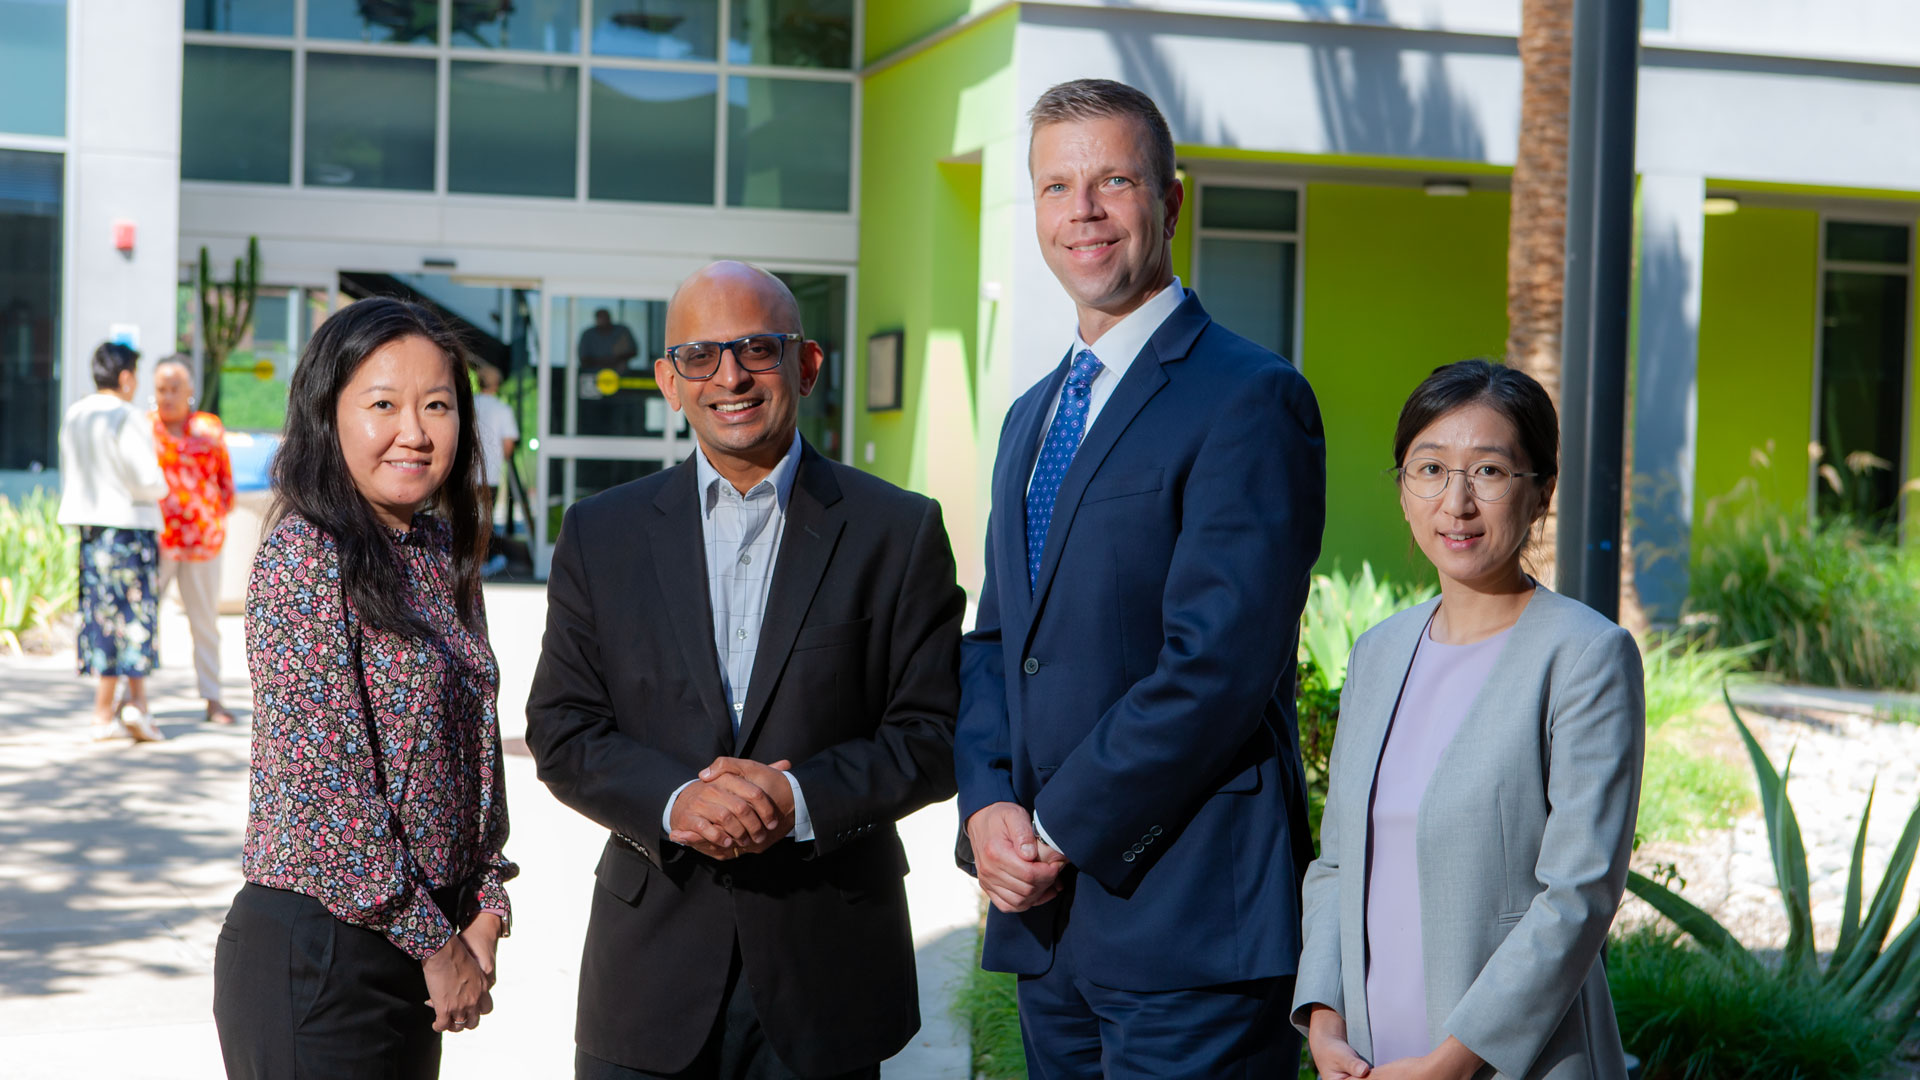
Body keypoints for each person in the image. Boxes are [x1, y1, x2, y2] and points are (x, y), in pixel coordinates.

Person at [953, 79, 1326, 1078]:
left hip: (1191, 924)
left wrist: (1057, 825)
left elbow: (1218, 669)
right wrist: (986, 805)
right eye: (1056, 186)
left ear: (1170, 201)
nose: (1082, 209)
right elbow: (997, 642)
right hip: (1050, 925)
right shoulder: (1033, 415)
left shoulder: (1250, 398)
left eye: (1113, 180)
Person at [526, 260, 965, 1080]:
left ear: (805, 364)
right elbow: (562, 728)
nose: (729, 376)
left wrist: (797, 801)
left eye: (757, 349)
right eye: (700, 355)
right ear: (668, 379)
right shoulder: (601, 535)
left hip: (825, 962)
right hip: (649, 969)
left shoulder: (896, 533)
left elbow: (932, 733)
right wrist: (679, 800)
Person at [1292, 359, 1645, 1080]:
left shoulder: (1584, 656)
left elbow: (1578, 897)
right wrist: (1324, 1025)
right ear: (1403, 489)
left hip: (1513, 1063)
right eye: (1429, 469)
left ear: (1541, 492)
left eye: (1488, 472)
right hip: (1367, 1057)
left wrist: (1448, 1066)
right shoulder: (1378, 653)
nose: (1456, 502)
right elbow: (1335, 865)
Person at [212, 297, 516, 1079]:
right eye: (383, 404)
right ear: (328, 415)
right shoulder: (303, 557)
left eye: (438, 405)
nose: (414, 431)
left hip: (419, 947)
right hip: (320, 960)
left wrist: (487, 901)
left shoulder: (436, 549)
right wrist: (438, 945)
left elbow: (473, 749)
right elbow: (329, 794)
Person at [57, 341, 168, 743]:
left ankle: (111, 710)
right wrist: (162, 483)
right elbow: (145, 478)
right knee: (135, 616)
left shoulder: (76, 413)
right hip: (129, 527)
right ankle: (132, 706)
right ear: (125, 377)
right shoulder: (128, 416)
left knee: (101, 617)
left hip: (92, 530)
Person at [150, 354, 236, 726]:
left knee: (204, 623)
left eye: (174, 389)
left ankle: (213, 698)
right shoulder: (144, 429)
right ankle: (129, 697)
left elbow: (225, 483)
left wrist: (212, 517)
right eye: (160, 389)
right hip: (157, 541)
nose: (167, 396)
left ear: (190, 392)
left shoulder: (209, 428)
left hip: (203, 542)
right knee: (141, 618)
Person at [470, 361, 519, 577]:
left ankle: (467, 560)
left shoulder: (466, 405)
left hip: (466, 473)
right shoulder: (502, 409)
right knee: (486, 517)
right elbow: (508, 445)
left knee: (467, 515)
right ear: (497, 384)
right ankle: (484, 560)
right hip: (490, 473)